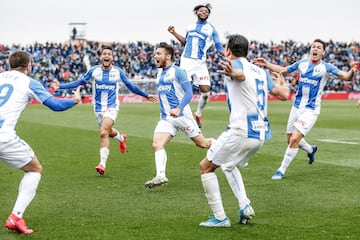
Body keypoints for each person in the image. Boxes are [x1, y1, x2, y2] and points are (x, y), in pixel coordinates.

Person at [199, 34, 290, 227]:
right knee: (227, 164)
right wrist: (283, 83)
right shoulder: (262, 72)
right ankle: (244, 205)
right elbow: (284, 95)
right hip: (259, 135)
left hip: (240, 132)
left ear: (228, 51)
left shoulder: (237, 66)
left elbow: (240, 74)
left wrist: (233, 73)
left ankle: (220, 218)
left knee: (206, 166)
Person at [0, 50, 81, 234]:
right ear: (29, 66)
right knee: (34, 169)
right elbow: (56, 105)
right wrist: (74, 100)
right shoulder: (29, 82)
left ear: (9, 65)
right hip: (3, 137)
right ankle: (15, 216)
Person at [253, 39, 358, 180]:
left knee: (295, 139)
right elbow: (283, 70)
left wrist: (352, 71)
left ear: (323, 52)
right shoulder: (302, 63)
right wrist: (266, 64)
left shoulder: (326, 67)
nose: (315, 49)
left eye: (319, 47)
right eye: (313, 47)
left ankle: (281, 170)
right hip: (296, 106)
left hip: (311, 109)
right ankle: (310, 149)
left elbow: (346, 77)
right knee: (290, 139)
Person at [51, 46, 158, 176]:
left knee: (103, 133)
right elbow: (80, 82)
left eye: (109, 54)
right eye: (104, 54)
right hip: (97, 108)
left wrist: (146, 95)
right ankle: (121, 138)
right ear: (101, 57)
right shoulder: (94, 71)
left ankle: (102, 164)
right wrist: (60, 86)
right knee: (108, 132)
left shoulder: (118, 72)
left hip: (112, 106)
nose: (106, 56)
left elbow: (131, 86)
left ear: (112, 58)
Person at [144, 42, 213, 189]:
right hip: (166, 118)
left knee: (203, 144)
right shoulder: (159, 73)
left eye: (159, 53)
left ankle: (227, 147)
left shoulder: (179, 72)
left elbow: (189, 93)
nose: (155, 56)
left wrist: (178, 108)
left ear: (168, 56)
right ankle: (160, 175)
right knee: (157, 144)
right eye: (156, 53)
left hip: (182, 116)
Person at [168, 3, 224, 128]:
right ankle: (180, 113)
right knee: (184, 90)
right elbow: (185, 42)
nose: (204, 13)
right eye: (201, 11)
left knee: (206, 91)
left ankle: (198, 113)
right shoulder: (190, 26)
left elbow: (219, 47)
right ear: (196, 12)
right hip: (187, 61)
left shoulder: (212, 29)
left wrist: (230, 56)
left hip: (200, 63)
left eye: (206, 11)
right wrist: (174, 33)